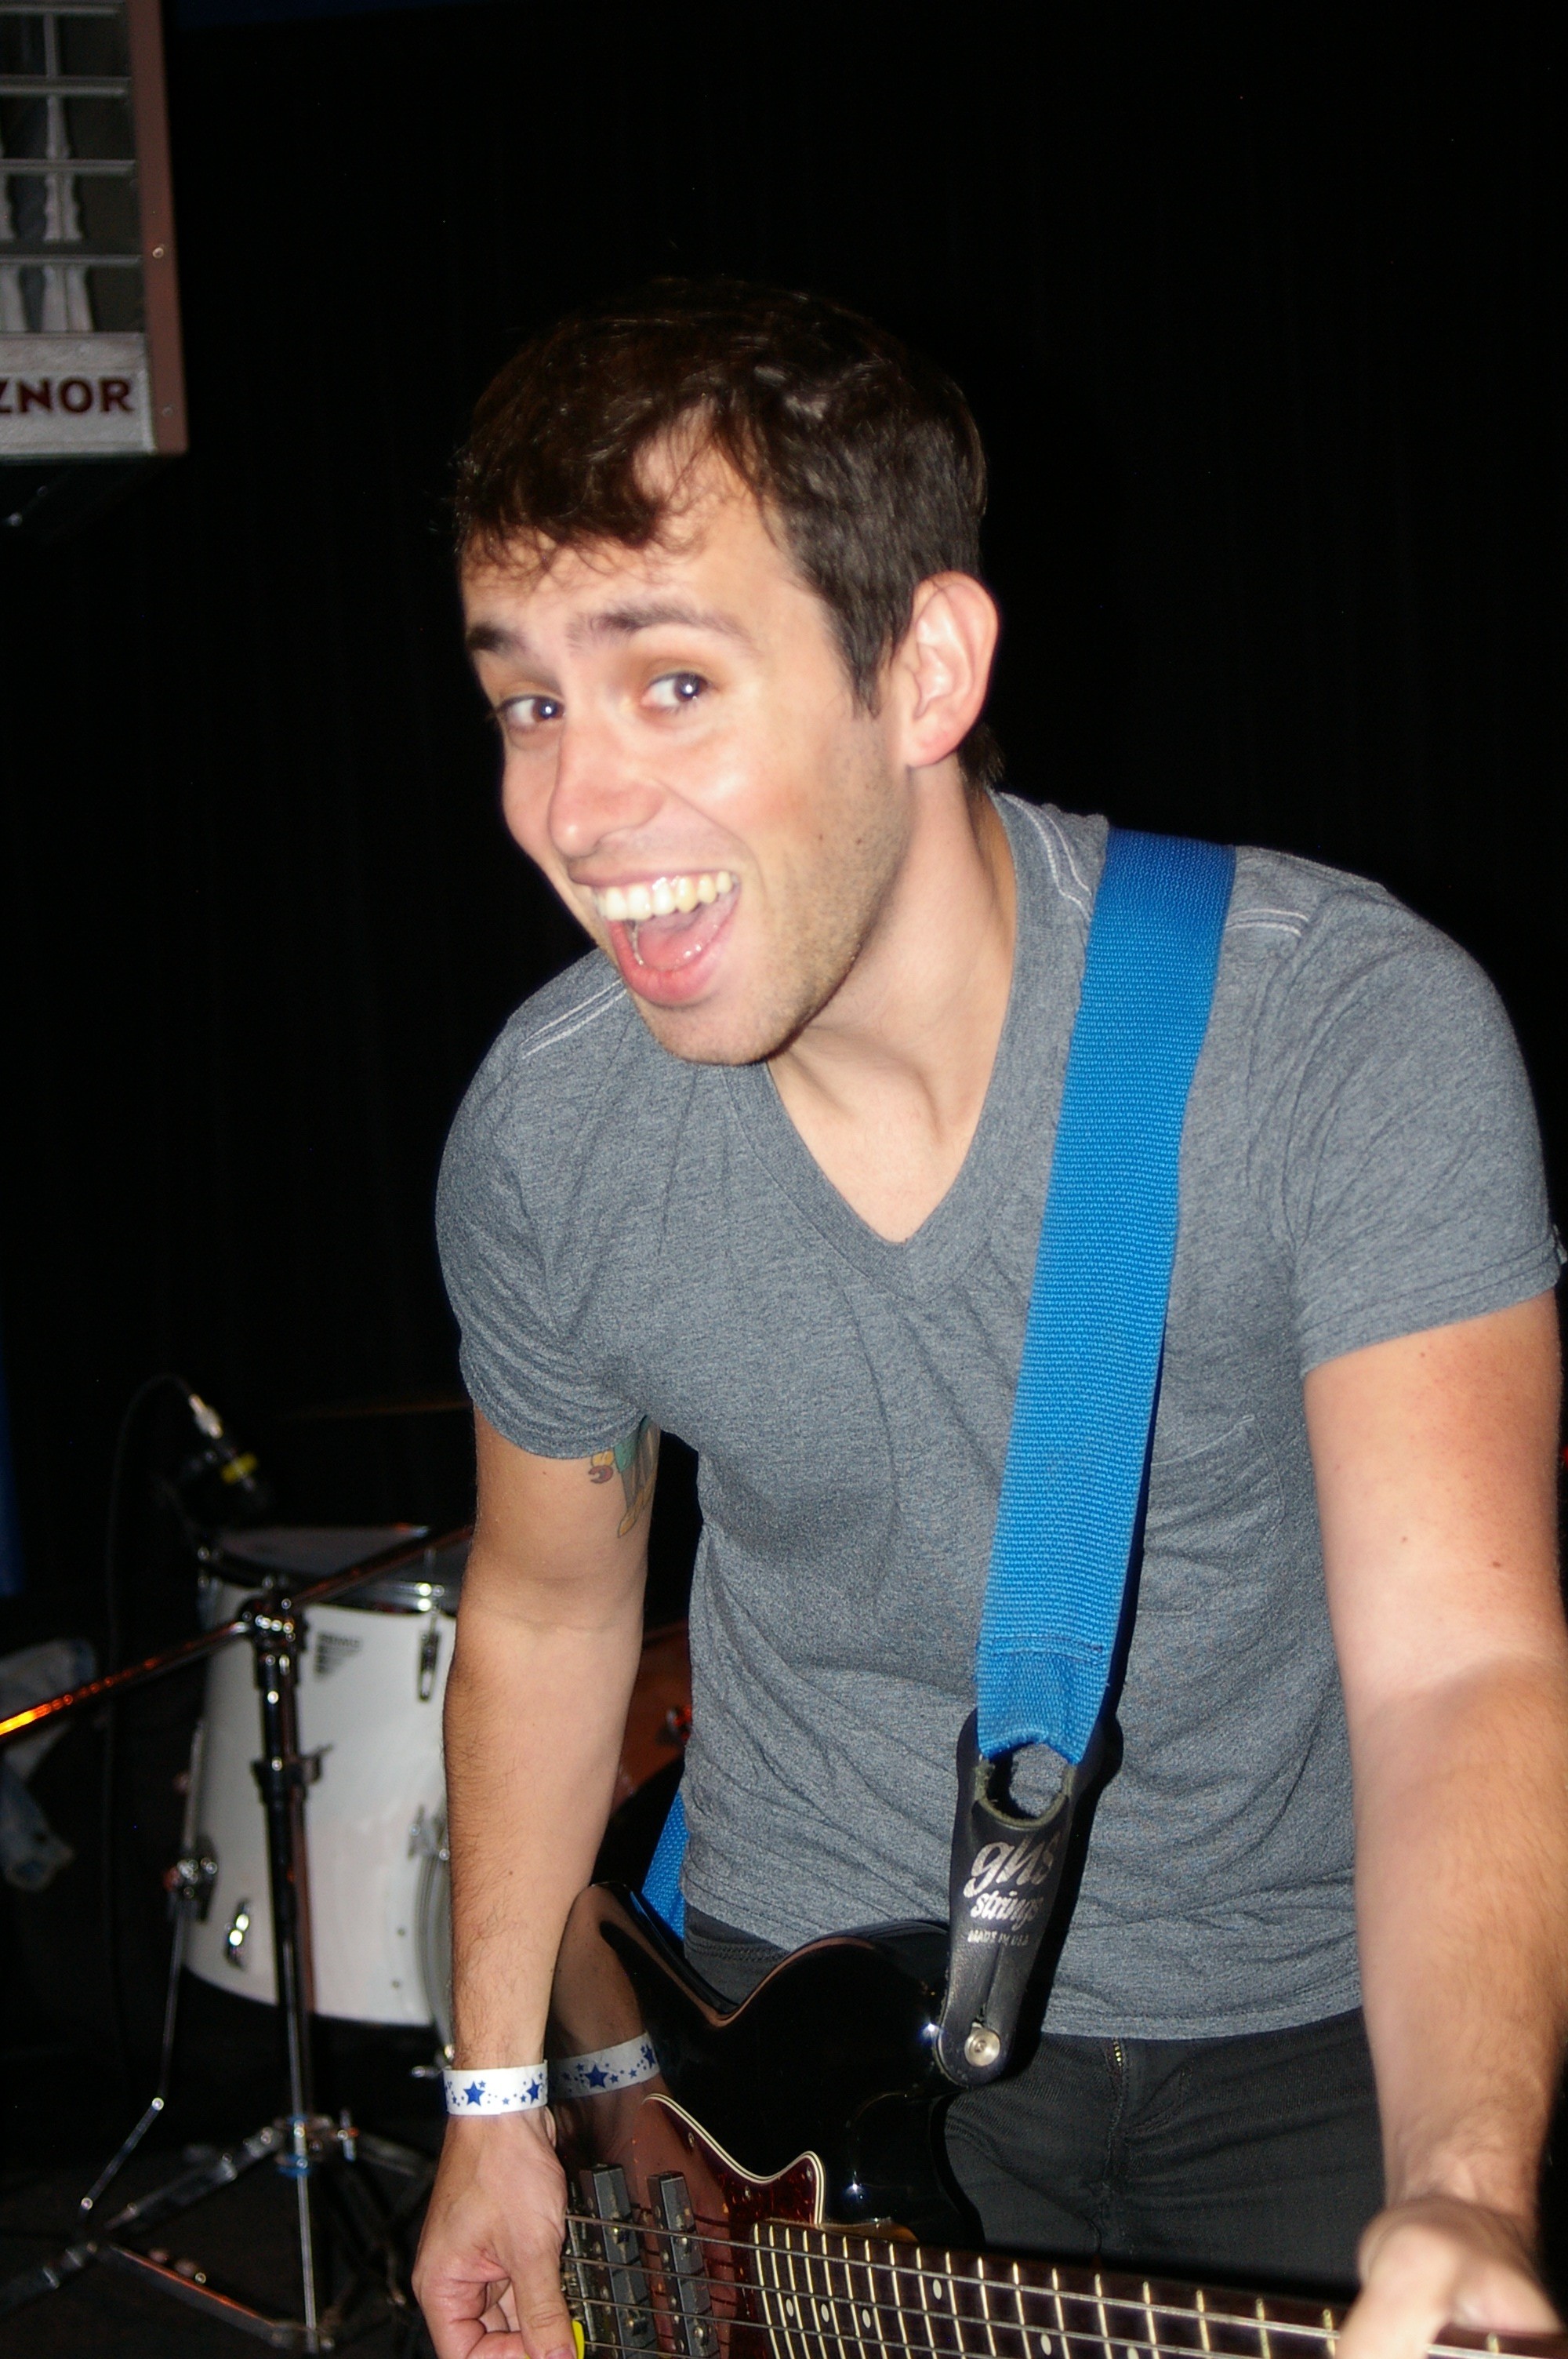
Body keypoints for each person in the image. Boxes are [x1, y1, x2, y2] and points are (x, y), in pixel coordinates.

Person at [412, 282, 1568, 2359]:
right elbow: (550, 1608)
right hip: (791, 2056)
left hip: (1301, 2042)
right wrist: (495, 2103)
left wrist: (1465, 2189)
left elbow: (1460, 1670)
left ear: (926, 668)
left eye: (671, 684)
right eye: (530, 704)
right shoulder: (553, 1135)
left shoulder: (1336, 1037)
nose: (573, 812)